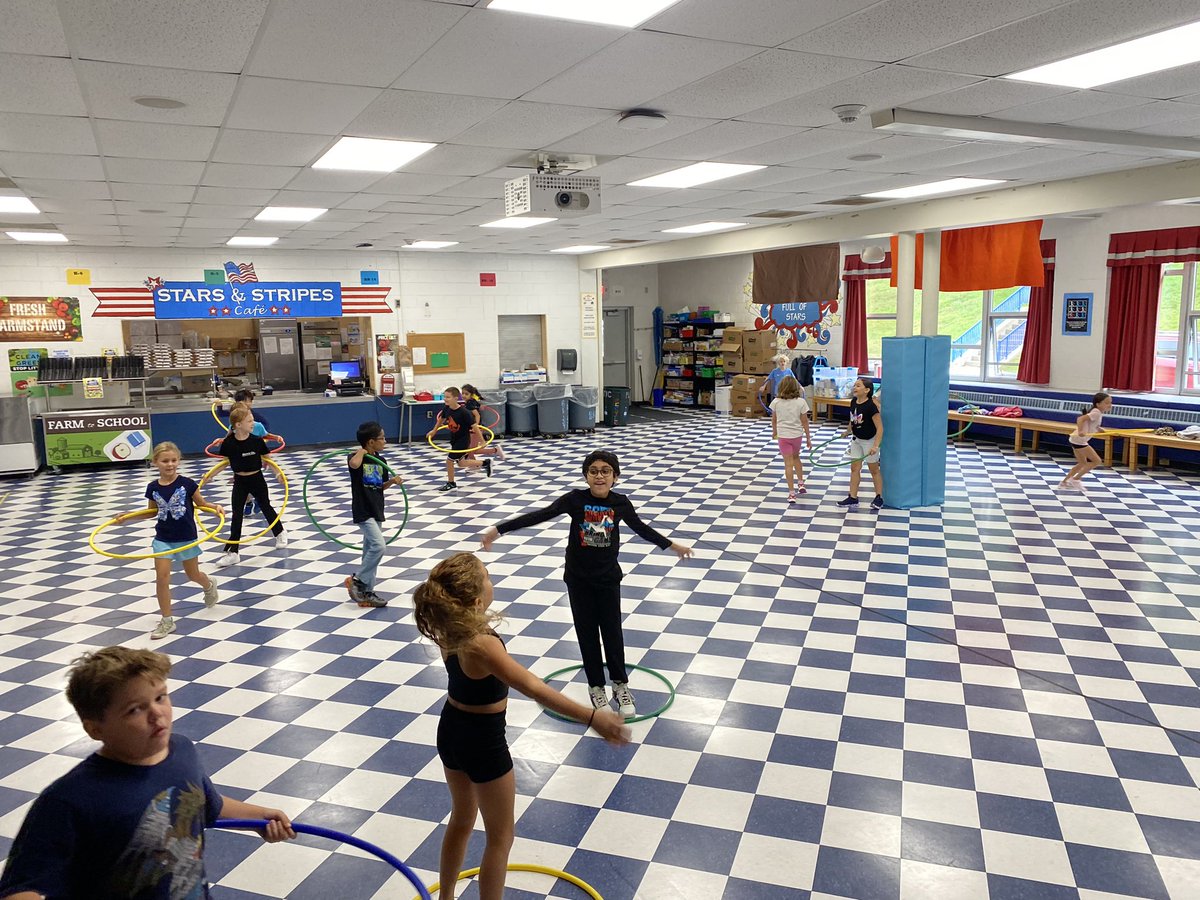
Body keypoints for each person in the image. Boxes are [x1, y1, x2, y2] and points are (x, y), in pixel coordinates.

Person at [413, 553, 630, 900]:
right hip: (483, 741)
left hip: (451, 727)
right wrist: (593, 718)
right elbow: (534, 688)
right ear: (478, 598)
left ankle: (446, 897)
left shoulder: (448, 627)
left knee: (462, 818)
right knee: (501, 837)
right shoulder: (481, 643)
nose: (491, 580)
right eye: (487, 576)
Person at [0, 646, 295, 900]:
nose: (157, 714)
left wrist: (257, 817)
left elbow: (201, 803)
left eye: (160, 697)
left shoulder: (181, 752)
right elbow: (22, 886)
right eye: (134, 710)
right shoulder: (70, 800)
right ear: (95, 728)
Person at [480, 450, 693, 718]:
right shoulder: (575, 500)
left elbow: (642, 528)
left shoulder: (621, 504)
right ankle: (596, 687)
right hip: (579, 580)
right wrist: (498, 530)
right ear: (585, 475)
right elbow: (540, 515)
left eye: (606, 471)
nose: (599, 475)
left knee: (613, 632)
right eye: (593, 471)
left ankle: (620, 684)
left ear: (615, 477)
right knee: (587, 634)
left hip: (608, 579)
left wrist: (673, 546)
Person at [112, 442, 224, 640]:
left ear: (179, 461)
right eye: (165, 461)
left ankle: (208, 585)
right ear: (156, 462)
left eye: (173, 460)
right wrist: (127, 516)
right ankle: (167, 620)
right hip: (163, 539)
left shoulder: (188, 484)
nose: (170, 464)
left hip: (187, 538)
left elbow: (202, 504)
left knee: (193, 575)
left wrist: (216, 508)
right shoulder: (153, 487)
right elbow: (152, 512)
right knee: (162, 579)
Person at [215, 404, 286, 569]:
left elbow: (268, 459)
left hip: (257, 478)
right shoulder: (229, 443)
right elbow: (224, 463)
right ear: (238, 425)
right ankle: (233, 552)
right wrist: (209, 476)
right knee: (237, 514)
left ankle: (280, 533)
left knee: (266, 506)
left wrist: (277, 474)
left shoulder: (256, 441)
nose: (253, 423)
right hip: (239, 481)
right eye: (249, 421)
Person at [346, 421, 403, 608]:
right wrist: (362, 451)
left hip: (377, 509)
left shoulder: (381, 461)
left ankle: (366, 592)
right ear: (371, 442)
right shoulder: (355, 457)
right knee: (379, 546)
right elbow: (354, 465)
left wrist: (392, 482)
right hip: (363, 510)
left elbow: (379, 486)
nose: (385, 441)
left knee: (369, 551)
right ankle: (358, 580)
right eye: (382, 438)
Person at [837, 379, 884, 510]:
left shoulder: (871, 406)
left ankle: (879, 497)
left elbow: (880, 428)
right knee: (854, 468)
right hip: (856, 439)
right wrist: (847, 431)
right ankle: (853, 497)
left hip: (869, 440)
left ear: (867, 390)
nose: (855, 387)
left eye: (858, 385)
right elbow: (853, 419)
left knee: (873, 469)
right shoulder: (853, 402)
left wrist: (875, 446)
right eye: (854, 385)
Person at [437, 387, 490, 492]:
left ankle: (451, 483)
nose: (445, 399)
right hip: (454, 439)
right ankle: (485, 463)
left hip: (463, 440)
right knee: (461, 463)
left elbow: (475, 427)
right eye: (444, 397)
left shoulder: (464, 412)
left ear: (456, 398)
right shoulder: (447, 408)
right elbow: (441, 420)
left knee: (449, 461)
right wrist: (434, 431)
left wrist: (482, 441)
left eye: (448, 397)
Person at [1059, 391, 1113, 492]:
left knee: (1082, 463)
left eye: (1110, 402)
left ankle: (1064, 482)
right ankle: (1076, 479)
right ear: (1098, 404)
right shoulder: (1096, 412)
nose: (1110, 405)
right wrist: (1081, 431)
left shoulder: (1097, 412)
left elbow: (1090, 423)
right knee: (1096, 461)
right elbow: (1080, 419)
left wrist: (1099, 429)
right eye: (1107, 402)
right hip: (1079, 441)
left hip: (1075, 439)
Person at [770, 374, 812, 501]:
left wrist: (774, 432)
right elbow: (805, 421)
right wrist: (808, 438)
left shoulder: (776, 402)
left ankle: (792, 493)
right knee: (796, 458)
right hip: (796, 436)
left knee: (788, 464)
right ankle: (801, 483)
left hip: (783, 436)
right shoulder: (801, 402)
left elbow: (774, 420)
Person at [459, 383, 504, 461]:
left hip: (475, 429)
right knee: (472, 450)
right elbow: (478, 407)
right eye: (462, 393)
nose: (463, 395)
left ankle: (475, 465)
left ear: (471, 394)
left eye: (466, 394)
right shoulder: (472, 401)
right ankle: (495, 450)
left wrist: (476, 426)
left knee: (470, 450)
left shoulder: (469, 403)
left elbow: (477, 415)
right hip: (474, 428)